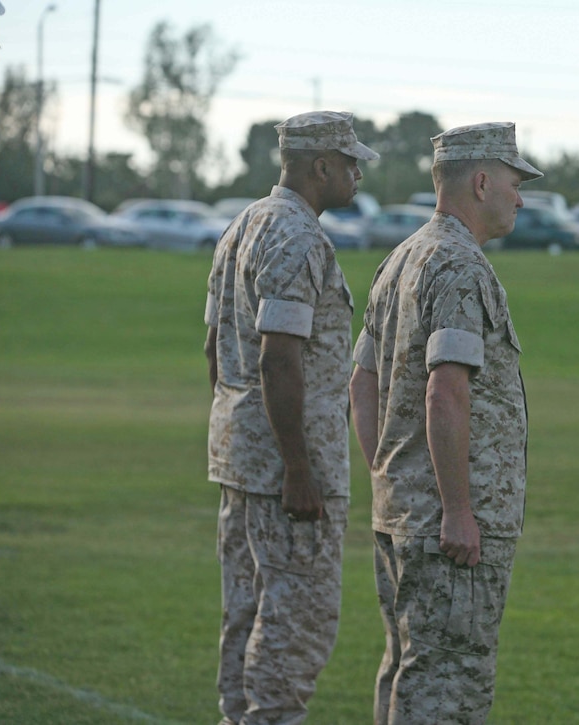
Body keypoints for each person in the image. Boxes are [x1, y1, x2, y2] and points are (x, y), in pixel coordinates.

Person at [349, 121, 539, 725]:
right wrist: (457, 507)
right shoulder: (459, 265)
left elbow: (362, 382)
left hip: (403, 512)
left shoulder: (402, 258)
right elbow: (446, 390)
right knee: (446, 687)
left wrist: (387, 473)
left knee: (408, 669)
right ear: (482, 182)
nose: (521, 195)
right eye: (515, 181)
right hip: (449, 527)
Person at [203, 110, 379, 725]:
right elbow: (280, 359)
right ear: (320, 167)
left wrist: (241, 438)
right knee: (296, 620)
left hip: (242, 458)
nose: (358, 172)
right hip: (288, 473)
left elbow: (214, 350)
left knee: (247, 610)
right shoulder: (297, 238)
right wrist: (298, 467)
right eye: (349, 161)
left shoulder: (245, 224)